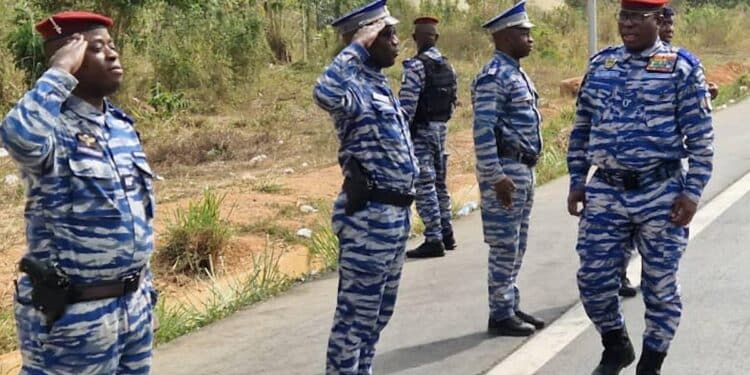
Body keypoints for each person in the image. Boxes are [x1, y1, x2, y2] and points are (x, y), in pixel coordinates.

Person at [2, 11, 157, 374]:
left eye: (113, 46)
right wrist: (57, 74)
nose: (113, 55)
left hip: (132, 307)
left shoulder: (120, 127)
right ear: (68, 60)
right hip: (73, 317)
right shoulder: (50, 127)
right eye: (97, 48)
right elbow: (17, 137)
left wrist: (144, 289)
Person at [566, 0, 714, 373]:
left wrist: (693, 192)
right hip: (607, 190)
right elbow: (582, 126)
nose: (627, 24)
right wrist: (576, 180)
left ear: (659, 19)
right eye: (623, 16)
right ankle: (615, 345)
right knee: (593, 280)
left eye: (637, 17)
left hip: (660, 191)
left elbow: (701, 139)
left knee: (659, 287)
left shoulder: (681, 67)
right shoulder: (602, 64)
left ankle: (651, 364)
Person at [312, 1, 419, 373]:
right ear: (367, 38)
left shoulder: (377, 84)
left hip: (395, 217)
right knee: (354, 319)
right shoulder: (352, 86)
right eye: (388, 34)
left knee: (377, 317)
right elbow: (323, 93)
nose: (397, 41)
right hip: (369, 219)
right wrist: (355, 46)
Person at [471, 0, 545, 337]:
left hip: (521, 170)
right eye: (523, 33)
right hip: (505, 170)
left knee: (517, 243)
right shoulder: (493, 77)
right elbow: (483, 130)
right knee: (504, 245)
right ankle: (499, 313)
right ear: (503, 37)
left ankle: (509, 302)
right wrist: (495, 175)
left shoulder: (516, 72)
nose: (530, 38)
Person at [400, 16, 458, 259]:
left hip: (422, 131)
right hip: (441, 129)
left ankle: (433, 238)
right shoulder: (447, 65)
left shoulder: (415, 66)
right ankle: (447, 232)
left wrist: (401, 134)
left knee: (425, 185)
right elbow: (453, 101)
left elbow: (406, 107)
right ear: (436, 37)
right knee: (440, 184)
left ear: (415, 39)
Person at [659, 5, 720, 99]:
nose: (669, 29)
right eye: (663, 24)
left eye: (670, 24)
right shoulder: (639, 56)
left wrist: (705, 92)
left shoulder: (680, 60)